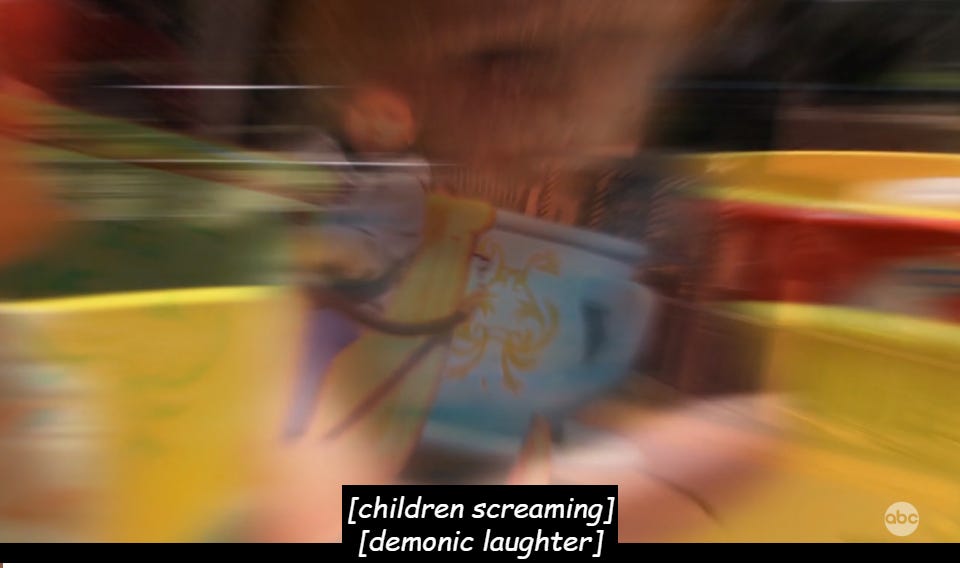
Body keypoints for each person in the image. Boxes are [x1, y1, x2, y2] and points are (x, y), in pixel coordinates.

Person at [283, 86, 431, 438]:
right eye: (364, 112)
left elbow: (369, 255)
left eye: (391, 116)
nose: (375, 124)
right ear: (346, 115)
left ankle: (286, 432)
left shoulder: (404, 188)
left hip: (350, 303)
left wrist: (307, 249)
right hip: (292, 284)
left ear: (411, 132)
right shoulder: (320, 153)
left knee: (312, 337)